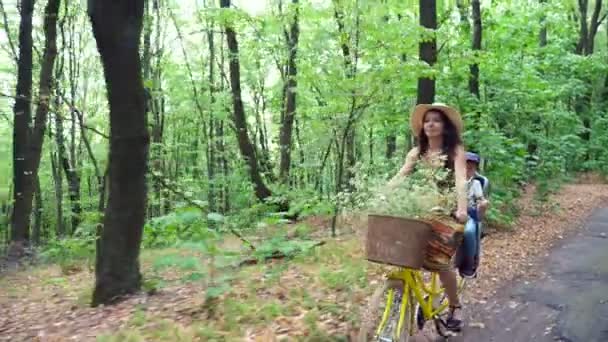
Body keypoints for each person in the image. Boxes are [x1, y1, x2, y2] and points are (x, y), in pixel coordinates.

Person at [389, 102, 468, 331]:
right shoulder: (416, 153)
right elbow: (400, 176)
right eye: (427, 120)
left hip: (447, 211)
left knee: (441, 263)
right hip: (422, 209)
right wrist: (380, 195)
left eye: (436, 120)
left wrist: (461, 209)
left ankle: (454, 306)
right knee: (405, 251)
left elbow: (460, 181)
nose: (430, 124)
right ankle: (416, 297)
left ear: (445, 126)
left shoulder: (455, 151)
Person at [459, 152, 488, 277]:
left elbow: (480, 199)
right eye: (464, 167)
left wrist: (483, 204)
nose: (467, 171)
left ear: (475, 170)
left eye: (470, 168)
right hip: (449, 213)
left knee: (469, 231)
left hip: (468, 214)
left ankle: (469, 264)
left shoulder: (475, 184)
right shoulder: (450, 181)